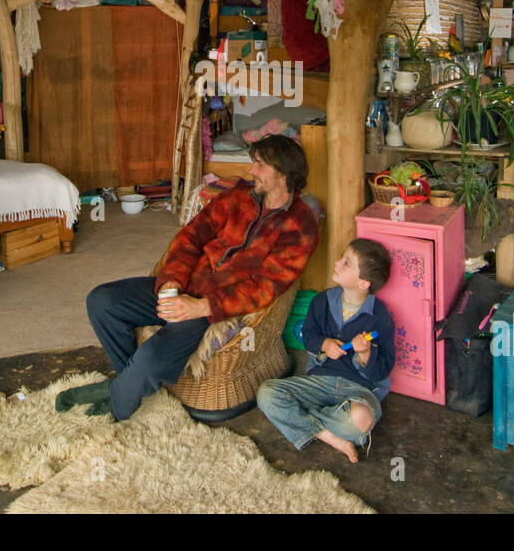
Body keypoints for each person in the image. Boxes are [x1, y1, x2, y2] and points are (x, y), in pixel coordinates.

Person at [57, 134, 319, 420]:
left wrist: (203, 306)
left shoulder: (300, 226)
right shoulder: (237, 197)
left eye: (258, 165)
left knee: (152, 357)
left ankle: (118, 397)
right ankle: (126, 385)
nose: (250, 171)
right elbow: (190, 237)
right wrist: (171, 280)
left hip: (215, 304)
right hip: (185, 285)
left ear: (282, 173)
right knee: (102, 300)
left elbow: (264, 288)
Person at [256, 238, 395, 463]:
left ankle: (301, 420)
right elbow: (308, 335)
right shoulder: (321, 302)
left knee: (361, 419)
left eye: (347, 263)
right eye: (342, 257)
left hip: (358, 389)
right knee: (266, 393)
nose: (338, 263)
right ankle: (328, 435)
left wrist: (365, 354)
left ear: (363, 283)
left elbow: (383, 370)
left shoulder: (380, 317)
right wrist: (324, 344)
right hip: (319, 382)